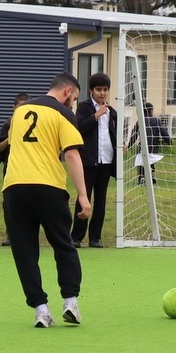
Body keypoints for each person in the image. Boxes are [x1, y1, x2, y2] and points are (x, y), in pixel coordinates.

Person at [2, 72, 91, 328]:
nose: (73, 104)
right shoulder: (63, 114)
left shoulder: (19, 111)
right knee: (63, 244)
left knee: (24, 251)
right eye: (73, 98)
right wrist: (83, 196)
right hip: (48, 186)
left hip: (15, 188)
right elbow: (72, 155)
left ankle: (40, 309)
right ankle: (70, 302)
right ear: (66, 92)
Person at [71, 72, 117, 248]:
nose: (102, 93)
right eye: (99, 89)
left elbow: (113, 134)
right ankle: (76, 236)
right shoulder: (84, 107)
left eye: (105, 90)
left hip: (106, 161)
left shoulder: (112, 112)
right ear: (91, 90)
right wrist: (96, 115)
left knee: (101, 200)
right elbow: (79, 128)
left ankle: (95, 237)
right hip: (88, 161)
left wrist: (120, 146)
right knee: (84, 198)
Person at [0, 92, 30, 246]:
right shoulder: (8, 124)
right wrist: (10, 136)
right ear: (13, 108)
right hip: (11, 168)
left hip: (29, 168)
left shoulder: (33, 125)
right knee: (9, 203)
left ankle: (27, 235)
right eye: (19, 107)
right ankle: (11, 234)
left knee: (28, 203)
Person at [127, 102, 172, 185]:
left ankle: (142, 177)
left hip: (143, 146)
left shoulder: (140, 121)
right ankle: (151, 175)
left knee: (142, 162)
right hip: (154, 145)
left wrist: (129, 146)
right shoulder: (156, 120)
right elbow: (163, 131)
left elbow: (134, 135)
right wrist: (169, 141)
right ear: (151, 111)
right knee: (151, 161)